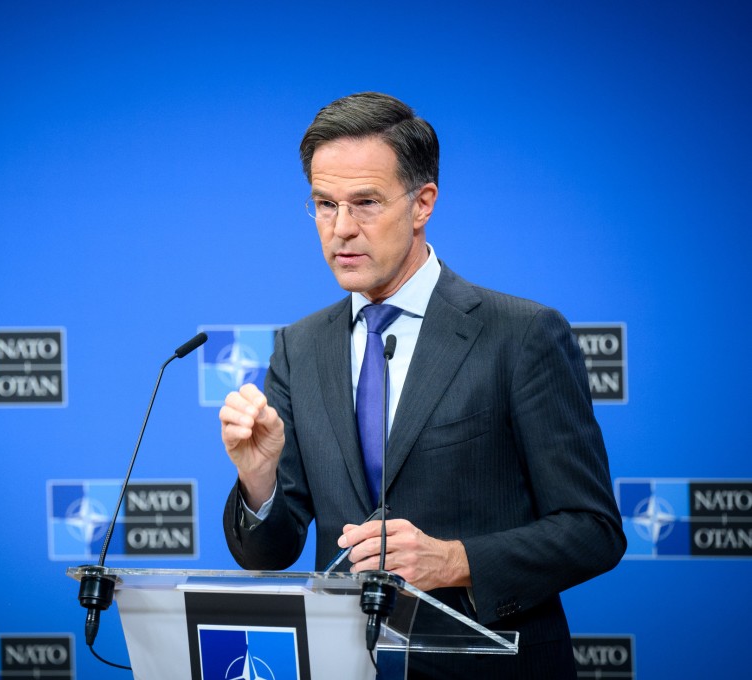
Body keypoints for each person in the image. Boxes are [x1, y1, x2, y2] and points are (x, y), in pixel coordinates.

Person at [218, 92, 625, 679]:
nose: (341, 229)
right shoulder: (299, 347)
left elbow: (594, 530)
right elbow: (268, 553)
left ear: (422, 203)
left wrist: (454, 560)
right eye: (325, 204)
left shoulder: (521, 335)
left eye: (366, 202)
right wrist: (259, 482)